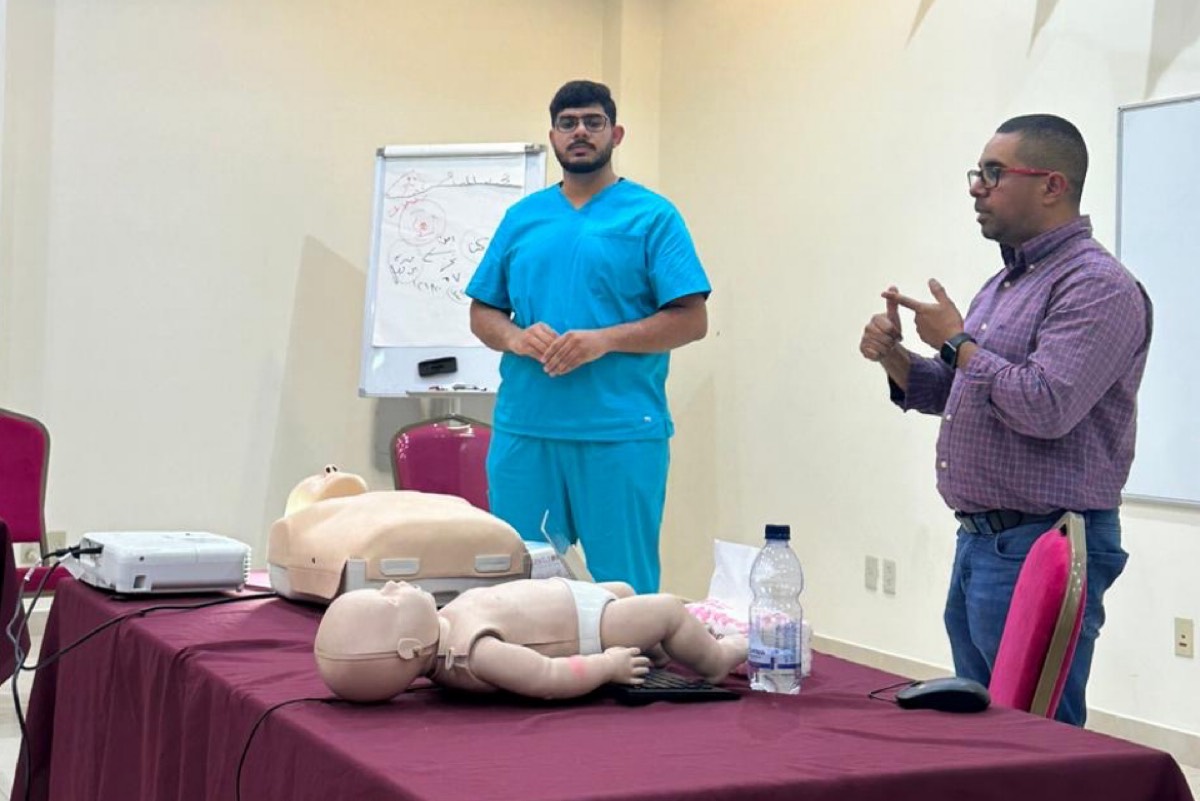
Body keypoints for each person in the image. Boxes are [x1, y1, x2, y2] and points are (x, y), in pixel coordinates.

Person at [858, 114, 1152, 726]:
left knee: (1037, 735)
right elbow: (963, 390)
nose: (976, 187)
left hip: (1042, 545)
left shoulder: (1097, 286)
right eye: (978, 172)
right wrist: (896, 358)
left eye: (994, 173)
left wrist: (958, 342)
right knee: (982, 731)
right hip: (981, 541)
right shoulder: (1006, 284)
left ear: (1052, 185)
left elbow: (1045, 406)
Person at [466, 79, 710, 594]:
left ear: (615, 134)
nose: (580, 132)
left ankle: (628, 653)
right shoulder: (522, 218)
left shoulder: (652, 216)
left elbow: (691, 319)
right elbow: (483, 312)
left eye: (593, 122)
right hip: (526, 429)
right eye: (568, 123)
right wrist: (515, 337)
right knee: (515, 587)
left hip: (618, 432)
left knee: (624, 591)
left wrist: (604, 340)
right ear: (553, 137)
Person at [314, 578, 748, 702]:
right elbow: (547, 676)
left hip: (579, 601)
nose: (393, 584)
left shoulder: (444, 632)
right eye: (389, 598)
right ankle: (715, 657)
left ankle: (659, 649)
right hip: (589, 627)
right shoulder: (476, 653)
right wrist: (606, 666)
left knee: (626, 592)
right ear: (409, 647)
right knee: (667, 610)